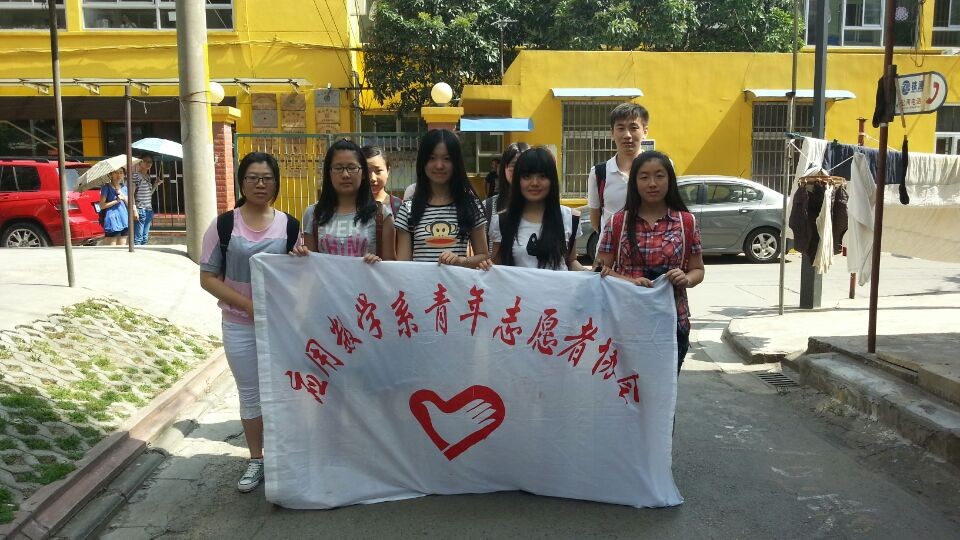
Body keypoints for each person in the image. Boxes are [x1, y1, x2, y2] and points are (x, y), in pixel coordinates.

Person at [198, 152, 300, 493]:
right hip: (239, 325)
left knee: (285, 390)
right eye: (253, 177)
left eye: (267, 178)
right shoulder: (224, 225)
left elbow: (300, 278)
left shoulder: (290, 226)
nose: (260, 184)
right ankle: (257, 458)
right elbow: (208, 277)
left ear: (276, 183)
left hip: (279, 327)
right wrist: (247, 306)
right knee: (251, 393)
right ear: (241, 182)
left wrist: (302, 260)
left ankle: (284, 457)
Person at [595, 151, 704, 373]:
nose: (652, 183)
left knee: (663, 389)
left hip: (672, 323)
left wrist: (686, 279)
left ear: (669, 180)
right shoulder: (618, 222)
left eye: (659, 176)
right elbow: (599, 270)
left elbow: (697, 269)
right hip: (625, 324)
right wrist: (630, 281)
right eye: (644, 177)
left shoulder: (686, 222)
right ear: (634, 182)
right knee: (625, 388)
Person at [394, 129, 488, 267]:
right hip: (419, 282)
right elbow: (403, 264)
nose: (439, 165)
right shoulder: (408, 208)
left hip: (457, 281)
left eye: (447, 159)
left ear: (456, 163)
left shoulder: (470, 205)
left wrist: (460, 261)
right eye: (432, 158)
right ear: (423, 162)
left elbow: (484, 257)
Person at [485, 147, 583, 271]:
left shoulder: (569, 218)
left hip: (559, 284)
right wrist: (486, 266)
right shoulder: (502, 221)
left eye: (542, 176)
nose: (535, 183)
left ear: (552, 180)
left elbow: (571, 261)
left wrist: (592, 274)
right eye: (527, 176)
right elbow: (497, 266)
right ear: (518, 180)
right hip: (518, 285)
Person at [297, 139, 395, 261]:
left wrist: (377, 263)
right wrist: (300, 255)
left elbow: (390, 265)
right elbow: (310, 263)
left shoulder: (381, 215)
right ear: (329, 173)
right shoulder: (313, 214)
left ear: (363, 173)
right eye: (338, 168)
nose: (345, 175)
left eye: (352, 168)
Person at [587, 103, 650, 257]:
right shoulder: (599, 173)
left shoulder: (659, 170)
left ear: (645, 132)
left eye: (633, 128)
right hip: (610, 259)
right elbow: (595, 219)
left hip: (650, 255)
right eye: (620, 128)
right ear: (612, 133)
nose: (627, 135)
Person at [483, 142, 529, 252]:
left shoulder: (541, 207)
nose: (519, 170)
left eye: (525, 165)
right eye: (514, 165)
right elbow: (481, 254)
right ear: (504, 168)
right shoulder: (487, 207)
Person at [361, 145, 403, 216]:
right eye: (366, 171)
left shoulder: (399, 206)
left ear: (388, 170)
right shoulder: (348, 206)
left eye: (378, 171)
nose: (373, 178)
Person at [132, 154, 161, 246]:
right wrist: (134, 210)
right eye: (145, 161)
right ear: (140, 162)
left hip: (149, 209)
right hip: (140, 209)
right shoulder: (135, 175)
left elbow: (149, 194)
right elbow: (131, 194)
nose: (148, 163)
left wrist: (155, 185)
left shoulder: (148, 177)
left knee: (145, 238)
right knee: (138, 238)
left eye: (150, 162)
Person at [99, 168, 132, 246]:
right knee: (112, 245)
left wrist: (122, 196)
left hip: (124, 219)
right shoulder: (106, 187)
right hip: (112, 219)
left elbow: (129, 204)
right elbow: (102, 206)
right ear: (111, 174)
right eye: (116, 172)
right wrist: (116, 201)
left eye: (121, 172)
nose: (119, 175)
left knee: (123, 245)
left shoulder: (124, 188)